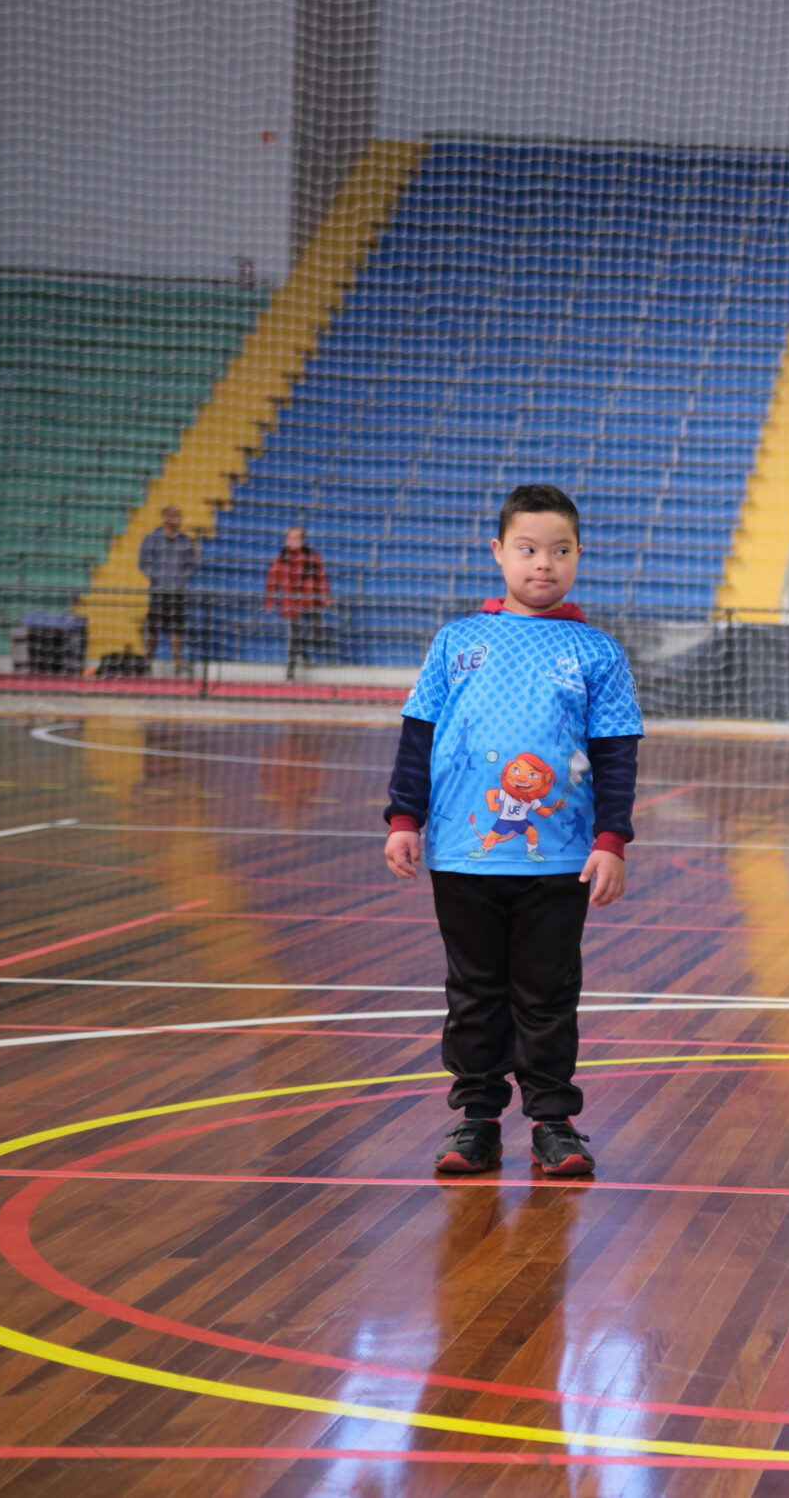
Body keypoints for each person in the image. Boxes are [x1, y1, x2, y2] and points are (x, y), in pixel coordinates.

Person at [382, 484, 642, 1181]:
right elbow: (418, 737)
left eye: (560, 551)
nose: (543, 564)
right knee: (473, 991)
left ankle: (553, 1122)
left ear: (578, 556)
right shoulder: (456, 642)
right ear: (498, 553)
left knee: (548, 993)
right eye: (527, 549)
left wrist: (611, 839)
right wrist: (404, 818)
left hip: (558, 859)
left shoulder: (597, 651)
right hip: (463, 855)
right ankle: (477, 1118)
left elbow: (617, 752)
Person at [263, 525, 332, 678]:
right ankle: (290, 672)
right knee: (293, 637)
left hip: (310, 600)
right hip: (291, 602)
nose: (293, 541)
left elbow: (322, 577)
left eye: (296, 538)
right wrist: (269, 601)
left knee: (316, 632)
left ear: (303, 540)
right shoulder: (280, 560)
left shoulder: (313, 557)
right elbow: (272, 582)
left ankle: (300, 649)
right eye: (290, 538)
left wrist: (325, 595)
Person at [137, 504, 199, 673]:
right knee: (153, 628)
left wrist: (181, 579)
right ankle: (147, 662)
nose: (175, 517)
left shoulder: (185, 540)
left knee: (177, 628)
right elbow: (143, 563)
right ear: (164, 517)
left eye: (177, 514)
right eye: (172, 514)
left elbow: (193, 565)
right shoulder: (152, 538)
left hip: (178, 592)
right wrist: (158, 577)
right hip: (159, 591)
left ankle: (178, 663)